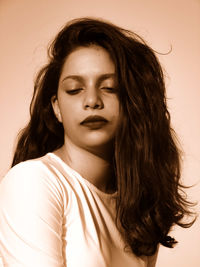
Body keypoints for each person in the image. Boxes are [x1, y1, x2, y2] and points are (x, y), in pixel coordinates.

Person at [0, 17, 194, 267]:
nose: (92, 100)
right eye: (74, 89)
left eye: (110, 88)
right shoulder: (33, 181)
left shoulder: (139, 207)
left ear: (132, 103)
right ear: (56, 108)